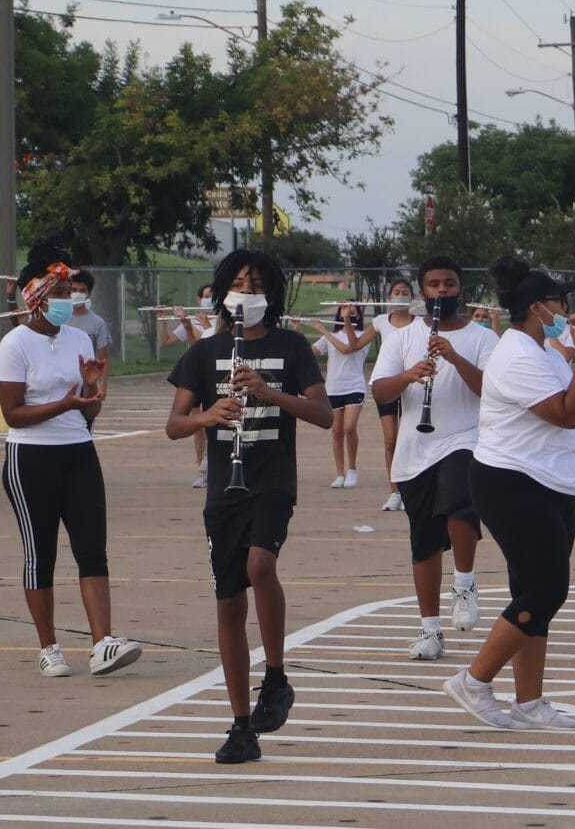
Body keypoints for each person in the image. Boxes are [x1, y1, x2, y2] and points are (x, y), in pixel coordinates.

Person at [443, 257, 575, 732]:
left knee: (534, 595)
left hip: (551, 482)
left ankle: (529, 703)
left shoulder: (547, 350)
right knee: (546, 590)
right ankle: (473, 681)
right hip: (511, 482)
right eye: (560, 302)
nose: (567, 311)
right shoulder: (515, 356)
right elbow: (565, 414)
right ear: (537, 307)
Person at [164, 250, 331, 764]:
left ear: (271, 295)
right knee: (229, 601)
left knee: (261, 564)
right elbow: (174, 423)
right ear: (221, 291)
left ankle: (276, 676)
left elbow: (324, 414)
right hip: (224, 490)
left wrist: (270, 393)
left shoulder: (292, 345)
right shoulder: (205, 351)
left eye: (256, 285)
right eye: (238, 283)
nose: (246, 293)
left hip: (272, 480)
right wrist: (207, 416)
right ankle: (241, 724)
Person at [0, 246, 143, 682]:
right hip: (30, 457)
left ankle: (103, 644)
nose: (68, 299)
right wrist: (66, 403)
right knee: (40, 553)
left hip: (79, 450)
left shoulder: (79, 338)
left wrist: (93, 392)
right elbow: (13, 413)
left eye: (69, 290)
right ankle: (49, 647)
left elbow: (87, 411)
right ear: (36, 296)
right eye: (58, 290)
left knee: (92, 549)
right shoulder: (15, 344)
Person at [369, 257, 499, 659]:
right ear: (423, 291)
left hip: (465, 439)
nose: (441, 291)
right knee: (423, 541)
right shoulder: (402, 338)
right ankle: (430, 631)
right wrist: (410, 375)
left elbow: (492, 392)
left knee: (460, 500)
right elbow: (380, 393)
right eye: (434, 285)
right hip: (415, 448)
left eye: (449, 284)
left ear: (461, 289)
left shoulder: (482, 338)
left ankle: (465, 583)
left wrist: (455, 359)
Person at [312, 302, 377, 488]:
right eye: (344, 307)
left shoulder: (363, 336)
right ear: (338, 312)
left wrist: (323, 330)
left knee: (349, 427)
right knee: (337, 430)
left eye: (352, 307)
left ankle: (352, 470)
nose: (348, 309)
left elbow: (347, 348)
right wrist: (297, 332)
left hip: (355, 386)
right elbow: (310, 353)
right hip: (333, 388)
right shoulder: (331, 336)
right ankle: (340, 474)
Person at [165, 284, 219, 488]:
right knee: (198, 425)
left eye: (213, 295)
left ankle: (213, 466)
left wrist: (206, 327)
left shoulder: (220, 322)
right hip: (195, 376)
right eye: (206, 296)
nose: (210, 299)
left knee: (213, 423)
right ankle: (202, 469)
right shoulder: (195, 320)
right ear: (199, 299)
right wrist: (184, 324)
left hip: (214, 377)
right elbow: (168, 342)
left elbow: (211, 345)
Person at [373, 279, 419, 511]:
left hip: (413, 386)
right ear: (389, 295)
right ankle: (394, 492)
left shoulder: (420, 323)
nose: (400, 296)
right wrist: (349, 322)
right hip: (387, 384)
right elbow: (353, 346)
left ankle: (410, 487)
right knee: (391, 439)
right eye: (396, 292)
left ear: (412, 296)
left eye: (405, 292)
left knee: (407, 438)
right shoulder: (381, 321)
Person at [66, 270, 112, 362]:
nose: (77, 294)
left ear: (89, 294)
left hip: (87, 374)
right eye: (74, 290)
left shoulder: (98, 323)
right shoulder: (59, 320)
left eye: (82, 290)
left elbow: (104, 359)